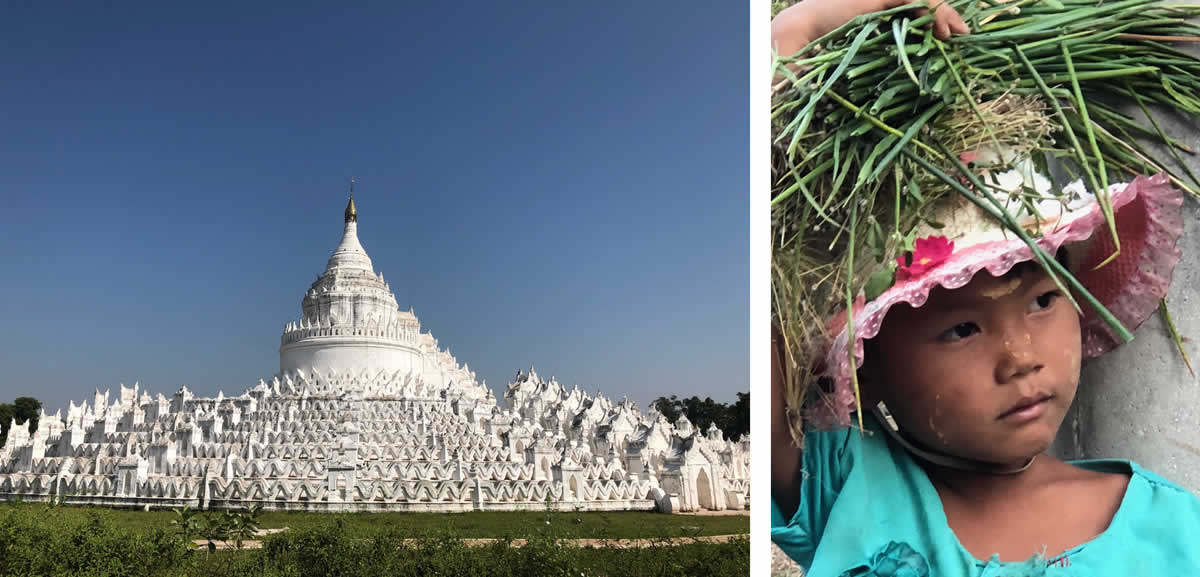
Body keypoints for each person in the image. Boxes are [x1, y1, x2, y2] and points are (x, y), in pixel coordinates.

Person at [770, 2, 1200, 574]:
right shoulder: (848, 489)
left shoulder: (1176, 533)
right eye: (962, 328)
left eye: (1044, 300)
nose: (1020, 359)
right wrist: (806, 28)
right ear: (865, 369)